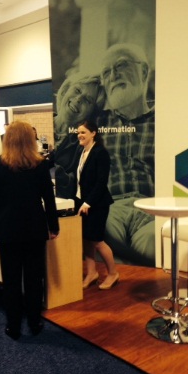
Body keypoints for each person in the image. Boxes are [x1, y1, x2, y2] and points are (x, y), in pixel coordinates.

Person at [0, 121, 59, 340]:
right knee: (34, 278)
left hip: (7, 229)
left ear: (7, 139)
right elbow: (49, 199)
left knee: (11, 279)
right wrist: (53, 226)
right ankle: (35, 321)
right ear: (30, 140)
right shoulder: (40, 165)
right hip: (35, 228)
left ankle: (13, 325)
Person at [96, 43, 155, 266]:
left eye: (121, 65)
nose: (113, 75)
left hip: (151, 208)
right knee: (102, 233)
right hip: (112, 209)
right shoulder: (97, 123)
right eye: (106, 72)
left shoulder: (164, 121)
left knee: (153, 239)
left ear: (143, 71)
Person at [71, 120, 119, 290]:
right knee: (86, 239)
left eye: (83, 132)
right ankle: (92, 273)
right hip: (81, 202)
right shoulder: (82, 151)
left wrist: (88, 202)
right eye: (78, 132)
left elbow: (101, 182)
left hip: (97, 204)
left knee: (97, 241)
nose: (79, 135)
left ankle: (113, 273)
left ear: (93, 133)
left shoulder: (100, 153)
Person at [53, 73, 103, 198]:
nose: (79, 99)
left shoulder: (84, 145)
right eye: (77, 90)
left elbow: (73, 188)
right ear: (65, 90)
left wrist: (49, 167)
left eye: (88, 100)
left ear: (92, 111)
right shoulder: (36, 130)